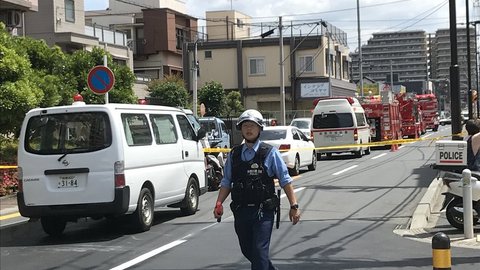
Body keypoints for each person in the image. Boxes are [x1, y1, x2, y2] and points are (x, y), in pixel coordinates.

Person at [213, 109, 300, 270]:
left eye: (253, 125)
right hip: (241, 211)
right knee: (248, 251)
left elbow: (285, 180)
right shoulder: (234, 155)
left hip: (263, 212)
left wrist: (294, 206)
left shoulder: (269, 153)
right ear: (241, 129)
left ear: (260, 128)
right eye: (245, 125)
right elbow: (226, 181)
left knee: (259, 253)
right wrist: (219, 203)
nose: (249, 129)